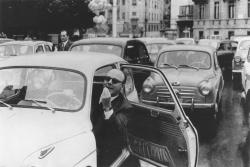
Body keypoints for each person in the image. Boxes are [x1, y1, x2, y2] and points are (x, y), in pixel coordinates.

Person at [93, 69, 140, 167]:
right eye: (107, 79)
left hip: (111, 152)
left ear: (122, 86)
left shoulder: (126, 107)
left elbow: (118, 129)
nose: (109, 82)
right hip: (91, 143)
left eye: (114, 81)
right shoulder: (94, 95)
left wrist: (107, 107)